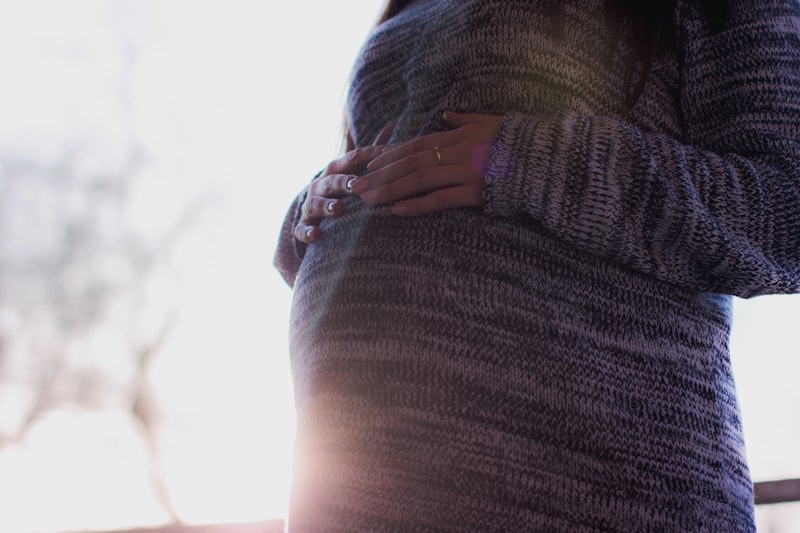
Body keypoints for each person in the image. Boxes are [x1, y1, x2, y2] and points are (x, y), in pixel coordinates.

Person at [275, 0, 800, 530]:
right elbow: (404, 154)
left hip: (596, 478)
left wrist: (520, 159)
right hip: (358, 467)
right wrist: (314, 211)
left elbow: (785, 209)